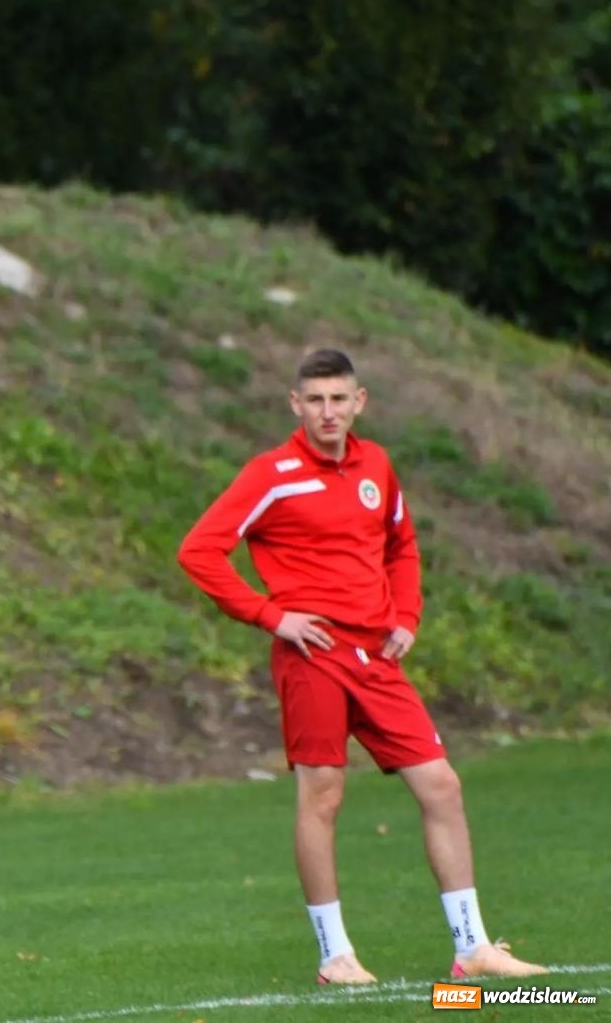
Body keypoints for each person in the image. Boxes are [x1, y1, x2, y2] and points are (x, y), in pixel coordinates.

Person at [177, 348, 547, 985]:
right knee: (323, 798)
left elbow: (401, 545)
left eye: (338, 399)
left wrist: (406, 616)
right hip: (312, 657)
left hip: (376, 659)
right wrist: (272, 617)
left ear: (359, 402)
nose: (328, 412)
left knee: (443, 787)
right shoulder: (272, 474)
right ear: (296, 404)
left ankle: (472, 948)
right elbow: (199, 551)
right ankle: (335, 956)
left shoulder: (377, 464)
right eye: (315, 400)